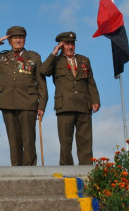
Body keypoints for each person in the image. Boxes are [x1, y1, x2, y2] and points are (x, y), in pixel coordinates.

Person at [0, 26, 47, 166]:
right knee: (13, 140)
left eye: (21, 38)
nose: (18, 40)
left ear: (24, 40)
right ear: (9, 41)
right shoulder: (2, 57)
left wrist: (42, 105)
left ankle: (30, 169)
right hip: (7, 102)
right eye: (15, 38)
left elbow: (41, 83)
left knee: (28, 139)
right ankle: (17, 169)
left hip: (28, 102)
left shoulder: (34, 57)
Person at [41, 31, 100, 165]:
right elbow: (44, 71)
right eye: (67, 44)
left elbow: (91, 82)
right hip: (65, 106)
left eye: (72, 43)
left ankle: (86, 168)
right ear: (61, 45)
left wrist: (95, 100)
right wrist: (54, 53)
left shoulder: (84, 60)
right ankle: (66, 168)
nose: (70, 47)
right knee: (65, 142)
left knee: (85, 140)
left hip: (83, 104)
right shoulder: (56, 61)